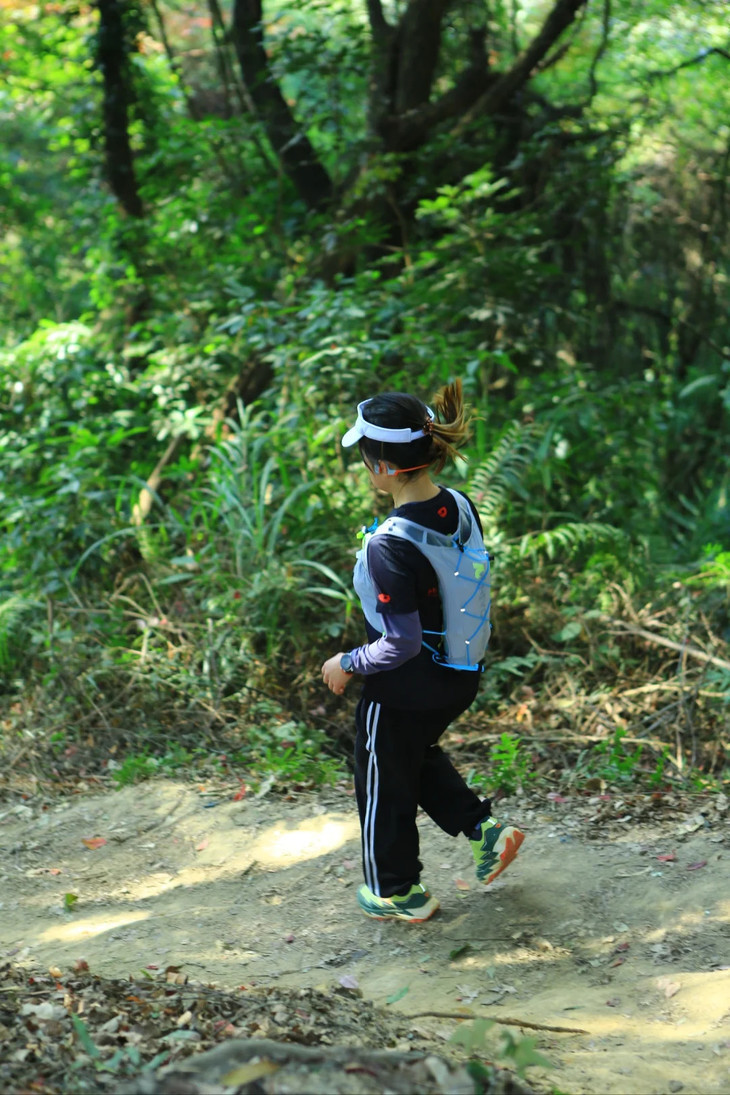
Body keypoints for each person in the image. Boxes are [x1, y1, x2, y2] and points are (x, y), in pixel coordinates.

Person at [321, 380, 524, 922]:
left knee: (379, 774)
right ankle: (485, 831)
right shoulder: (460, 506)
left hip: (405, 685)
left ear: (384, 466)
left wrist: (347, 663)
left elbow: (401, 642)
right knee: (407, 754)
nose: (365, 467)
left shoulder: (389, 543)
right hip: (460, 674)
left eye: (366, 458)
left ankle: (396, 891)